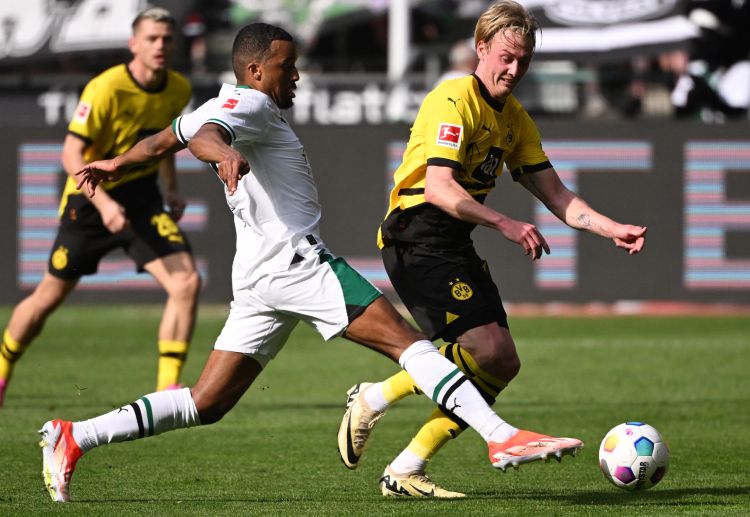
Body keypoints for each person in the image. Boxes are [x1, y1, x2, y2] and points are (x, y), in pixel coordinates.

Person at [40, 22, 583, 503]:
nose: (296, 76)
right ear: (257, 70)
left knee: (205, 403)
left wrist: (116, 162)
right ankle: (499, 436)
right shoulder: (252, 106)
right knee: (409, 344)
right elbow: (205, 139)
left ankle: (75, 436)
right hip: (296, 262)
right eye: (287, 66)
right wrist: (223, 154)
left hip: (257, 276)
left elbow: (167, 138)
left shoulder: (220, 103)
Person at [336, 0, 647, 498]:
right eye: (506, 57)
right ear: (481, 48)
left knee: (501, 362)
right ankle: (375, 399)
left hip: (452, 241)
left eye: (523, 60)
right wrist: (504, 222)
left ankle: (406, 464)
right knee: (485, 349)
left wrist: (611, 229)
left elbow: (557, 195)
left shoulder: (515, 119)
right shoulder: (453, 99)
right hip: (414, 235)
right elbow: (438, 187)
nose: (514, 69)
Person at [0, 7, 200, 408]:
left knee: (186, 283)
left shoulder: (178, 89)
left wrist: (172, 189)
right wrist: (104, 203)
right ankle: (2, 371)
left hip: (142, 200)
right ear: (134, 44)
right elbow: (70, 154)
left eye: (166, 39)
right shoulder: (106, 88)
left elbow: (162, 144)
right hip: (90, 200)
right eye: (152, 38)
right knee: (47, 297)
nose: (160, 46)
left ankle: (166, 389)